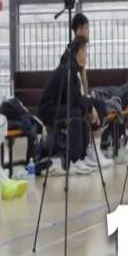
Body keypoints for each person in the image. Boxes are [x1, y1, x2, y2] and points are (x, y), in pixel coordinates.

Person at [38, 36, 100, 175]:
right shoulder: (68, 69)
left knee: (80, 110)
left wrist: (89, 107)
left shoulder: (74, 68)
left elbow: (75, 98)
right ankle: (75, 160)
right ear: (78, 52)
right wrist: (90, 107)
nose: (86, 55)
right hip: (48, 109)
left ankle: (82, 156)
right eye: (85, 51)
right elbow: (74, 99)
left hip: (58, 106)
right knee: (75, 112)